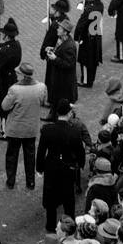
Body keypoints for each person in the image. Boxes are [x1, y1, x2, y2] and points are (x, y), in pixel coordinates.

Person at [36, 97, 85, 232]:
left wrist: (39, 168)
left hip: (51, 167)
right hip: (67, 168)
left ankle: (50, 227)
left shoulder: (47, 130)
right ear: (69, 113)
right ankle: (69, 227)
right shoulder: (74, 131)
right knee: (68, 199)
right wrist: (81, 164)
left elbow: (41, 151)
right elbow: (80, 151)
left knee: (51, 201)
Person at [0, 61, 44, 190]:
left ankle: (11, 181)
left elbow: (5, 106)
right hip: (31, 128)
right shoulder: (41, 87)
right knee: (30, 156)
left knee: (12, 156)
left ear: (23, 75)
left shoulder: (15, 90)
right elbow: (43, 101)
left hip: (15, 129)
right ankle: (30, 182)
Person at [0, 17, 21, 139]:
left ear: (7, 36)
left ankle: (4, 131)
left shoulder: (4, 52)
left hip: (4, 81)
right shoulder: (16, 45)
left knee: (2, 106)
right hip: (12, 77)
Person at [75, 0, 104, 88]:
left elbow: (80, 25)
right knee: (93, 59)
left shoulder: (88, 10)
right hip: (96, 35)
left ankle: (86, 81)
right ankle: (90, 79)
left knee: (85, 60)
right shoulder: (100, 5)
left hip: (87, 37)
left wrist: (76, 36)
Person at [45, 18, 78, 108]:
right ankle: (52, 115)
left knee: (63, 103)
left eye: (60, 28)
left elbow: (69, 64)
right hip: (59, 78)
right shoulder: (62, 40)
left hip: (64, 81)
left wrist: (55, 58)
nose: (57, 29)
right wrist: (52, 49)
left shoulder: (70, 46)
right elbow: (60, 52)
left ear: (65, 32)